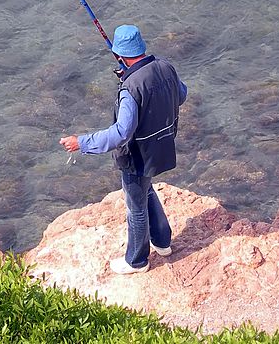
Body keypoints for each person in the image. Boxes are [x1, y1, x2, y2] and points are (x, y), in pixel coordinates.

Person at [59, 24, 187, 274]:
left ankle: (137, 261)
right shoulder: (165, 67)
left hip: (137, 156)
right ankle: (162, 242)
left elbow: (121, 133)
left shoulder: (131, 88)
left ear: (120, 55)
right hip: (162, 145)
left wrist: (81, 142)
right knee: (146, 189)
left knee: (135, 208)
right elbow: (181, 94)